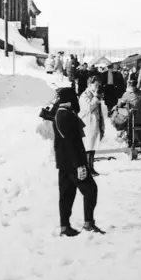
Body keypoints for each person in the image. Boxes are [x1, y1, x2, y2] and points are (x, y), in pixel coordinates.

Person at [51, 91, 102, 236]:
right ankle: (88, 223)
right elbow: (70, 143)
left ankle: (65, 226)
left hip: (63, 162)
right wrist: (79, 164)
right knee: (90, 190)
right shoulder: (66, 115)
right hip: (73, 162)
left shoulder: (60, 113)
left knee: (66, 194)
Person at [116, 78, 141, 149]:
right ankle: (130, 144)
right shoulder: (126, 94)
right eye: (131, 87)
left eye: (134, 87)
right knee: (130, 132)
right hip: (129, 119)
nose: (133, 88)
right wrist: (121, 102)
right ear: (128, 86)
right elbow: (119, 106)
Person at [79, 80, 106, 177]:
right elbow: (89, 107)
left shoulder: (95, 95)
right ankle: (87, 168)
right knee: (88, 147)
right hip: (88, 123)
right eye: (96, 85)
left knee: (93, 146)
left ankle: (91, 166)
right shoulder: (85, 95)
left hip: (95, 123)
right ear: (90, 85)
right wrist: (95, 97)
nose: (98, 87)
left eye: (99, 85)